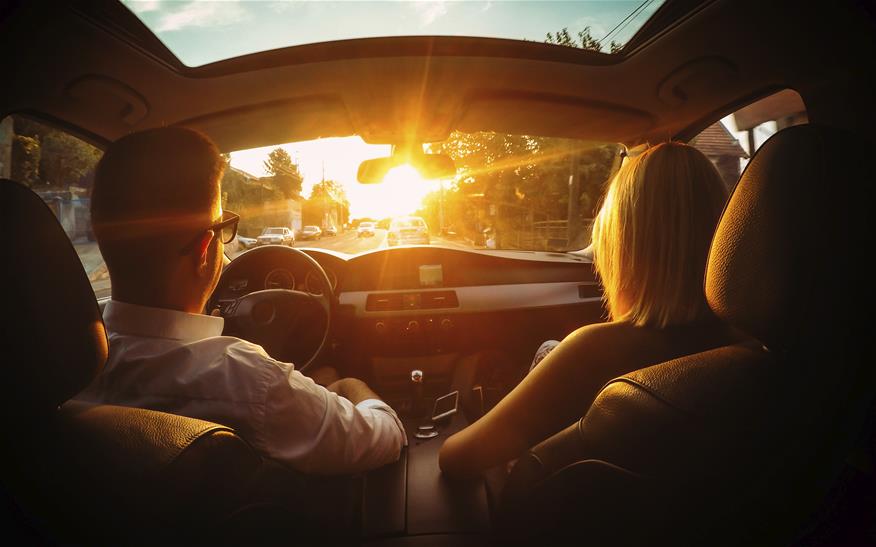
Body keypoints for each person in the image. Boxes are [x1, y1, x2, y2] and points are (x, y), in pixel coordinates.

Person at [75, 127, 405, 475]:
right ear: (205, 249)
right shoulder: (250, 381)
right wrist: (346, 386)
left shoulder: (57, 362)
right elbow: (387, 436)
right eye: (222, 228)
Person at [439, 142, 745, 479]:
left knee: (547, 352)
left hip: (557, 514)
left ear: (624, 246)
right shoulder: (751, 346)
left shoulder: (591, 352)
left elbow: (456, 458)